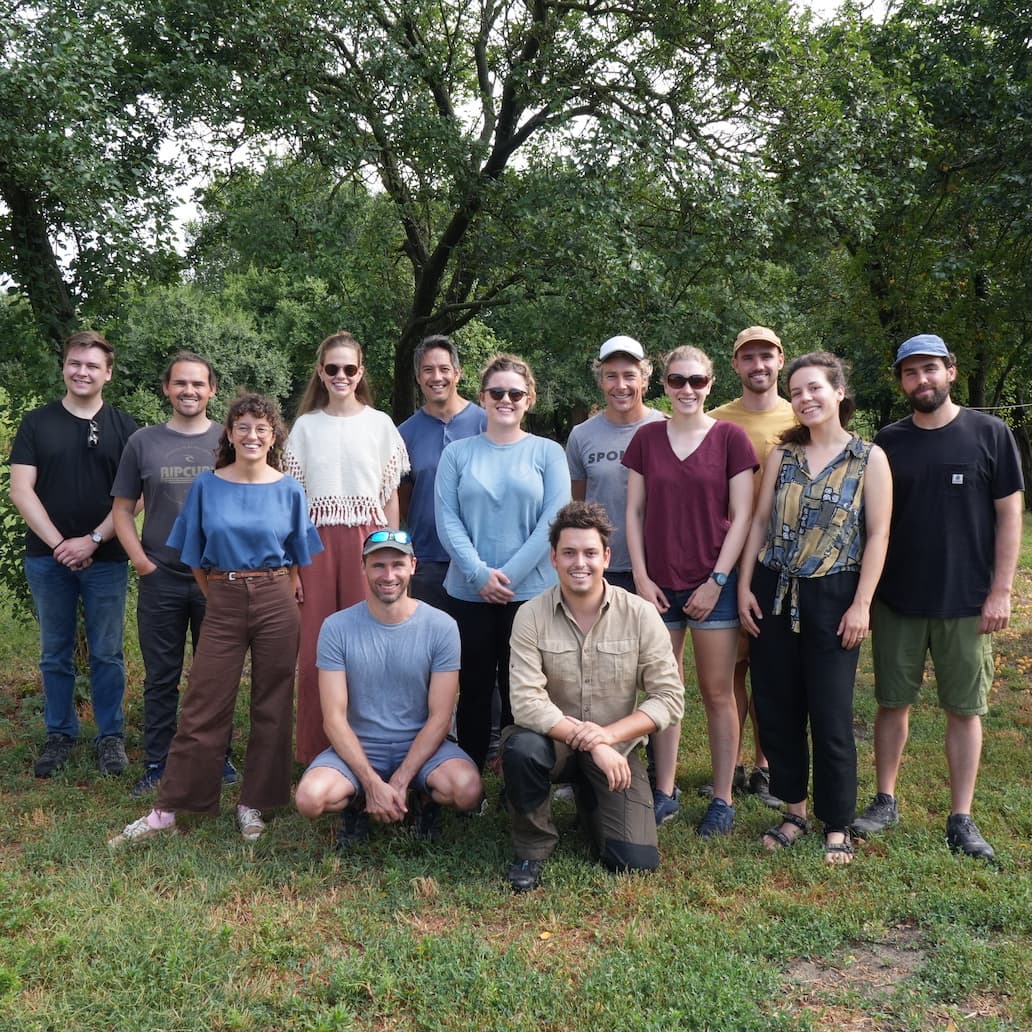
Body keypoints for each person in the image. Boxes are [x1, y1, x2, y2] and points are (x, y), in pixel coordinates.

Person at [108, 394, 323, 847]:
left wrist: (274, 594)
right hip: (222, 597)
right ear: (229, 433)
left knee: (273, 702)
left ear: (273, 437)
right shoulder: (208, 485)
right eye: (242, 426)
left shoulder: (288, 489)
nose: (252, 435)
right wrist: (224, 594)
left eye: (261, 428)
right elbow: (192, 556)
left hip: (276, 600)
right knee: (204, 702)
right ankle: (169, 808)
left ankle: (254, 805)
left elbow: (299, 558)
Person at [852, 334, 1023, 860]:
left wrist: (1000, 590)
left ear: (949, 370)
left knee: (964, 709)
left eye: (930, 368)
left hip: (968, 601)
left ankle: (962, 817)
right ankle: (885, 799)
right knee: (891, 704)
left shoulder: (989, 433)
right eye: (910, 372)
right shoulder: (888, 441)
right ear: (901, 381)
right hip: (898, 597)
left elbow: (1009, 514)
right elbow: (874, 523)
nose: (921, 379)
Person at [739, 353, 892, 865]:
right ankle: (794, 809)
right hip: (772, 590)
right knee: (778, 707)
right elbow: (758, 524)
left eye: (814, 388)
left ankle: (837, 821)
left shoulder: (869, 458)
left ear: (839, 392)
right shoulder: (782, 456)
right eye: (797, 390)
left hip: (835, 594)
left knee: (830, 713)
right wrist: (744, 588)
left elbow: (878, 535)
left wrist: (862, 605)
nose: (805, 398)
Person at [503, 501, 685, 892]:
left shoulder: (640, 614)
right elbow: (526, 701)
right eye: (569, 553)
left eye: (589, 553)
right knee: (521, 749)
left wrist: (606, 739)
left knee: (634, 860)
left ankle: (590, 797)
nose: (579, 563)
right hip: (550, 744)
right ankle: (532, 847)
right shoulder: (530, 615)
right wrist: (587, 739)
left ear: (606, 556)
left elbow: (669, 698)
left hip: (613, 748)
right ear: (553, 558)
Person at [624, 346, 757, 834]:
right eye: (677, 381)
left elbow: (742, 515)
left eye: (696, 381)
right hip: (657, 585)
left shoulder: (730, 438)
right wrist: (640, 576)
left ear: (711, 382)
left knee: (717, 692)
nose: (687, 390)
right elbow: (634, 512)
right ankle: (665, 790)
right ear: (663, 384)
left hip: (712, 585)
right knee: (663, 688)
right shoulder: (646, 439)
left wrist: (717, 580)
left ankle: (722, 798)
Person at [294, 530, 483, 850]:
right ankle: (357, 802)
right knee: (309, 800)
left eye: (397, 564)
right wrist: (371, 782)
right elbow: (334, 719)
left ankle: (423, 799)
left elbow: (440, 717)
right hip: (360, 744)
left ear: (413, 566)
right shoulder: (336, 627)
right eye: (379, 566)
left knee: (467, 791)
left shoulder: (442, 626)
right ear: (364, 568)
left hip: (424, 746)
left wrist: (399, 780)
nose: (389, 575)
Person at [10, 330, 138, 778]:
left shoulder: (127, 428)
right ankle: (59, 735)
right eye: (75, 363)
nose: (82, 371)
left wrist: (94, 540)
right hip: (47, 560)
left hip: (107, 558)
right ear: (64, 366)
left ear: (107, 372)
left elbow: (134, 496)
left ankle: (110, 738)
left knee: (107, 652)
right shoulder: (36, 424)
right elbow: (20, 490)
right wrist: (60, 545)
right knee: (54, 652)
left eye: (92, 365)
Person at [434, 353, 571, 772]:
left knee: (523, 690)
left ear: (529, 399)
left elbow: (554, 518)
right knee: (473, 687)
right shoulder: (457, 454)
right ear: (482, 397)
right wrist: (478, 574)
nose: (505, 399)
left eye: (515, 392)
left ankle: (519, 777)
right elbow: (447, 517)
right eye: (497, 392)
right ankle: (470, 774)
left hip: (529, 594)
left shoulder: (548, 453)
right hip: (467, 593)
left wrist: (506, 576)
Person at [111, 351, 237, 796]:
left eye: (198, 384)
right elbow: (123, 510)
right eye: (180, 383)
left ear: (212, 390)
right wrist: (141, 561)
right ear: (166, 388)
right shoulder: (143, 442)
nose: (189, 391)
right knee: (162, 675)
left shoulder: (229, 440)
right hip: (160, 574)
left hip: (217, 578)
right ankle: (157, 762)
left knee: (215, 674)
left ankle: (216, 757)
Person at [283, 331, 409, 765]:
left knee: (370, 644)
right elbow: (294, 502)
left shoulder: (379, 424)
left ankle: (372, 748)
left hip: (368, 542)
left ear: (361, 373)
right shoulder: (304, 427)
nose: (340, 376)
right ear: (321, 372)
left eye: (349, 369)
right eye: (332, 368)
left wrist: (394, 555)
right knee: (317, 647)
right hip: (315, 545)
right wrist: (295, 567)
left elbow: (389, 493)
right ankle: (317, 750)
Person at [709, 326, 797, 807]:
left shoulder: (801, 414)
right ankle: (733, 762)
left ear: (780, 360)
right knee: (729, 671)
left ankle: (765, 766)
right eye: (748, 357)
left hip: (782, 563)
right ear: (735, 364)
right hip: (727, 557)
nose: (758, 365)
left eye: (766, 356)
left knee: (769, 670)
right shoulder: (717, 419)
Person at [566, 335, 665, 592]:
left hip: (659, 566)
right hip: (603, 567)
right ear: (601, 381)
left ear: (644, 379)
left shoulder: (666, 428)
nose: (621, 385)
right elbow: (579, 504)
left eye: (630, 375)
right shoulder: (581, 435)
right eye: (611, 376)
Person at [398, 335, 486, 610]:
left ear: (457, 374)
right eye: (428, 370)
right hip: (428, 560)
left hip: (482, 556)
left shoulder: (487, 423)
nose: (437, 377)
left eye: (444, 369)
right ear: (418, 377)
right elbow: (403, 501)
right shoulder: (403, 434)